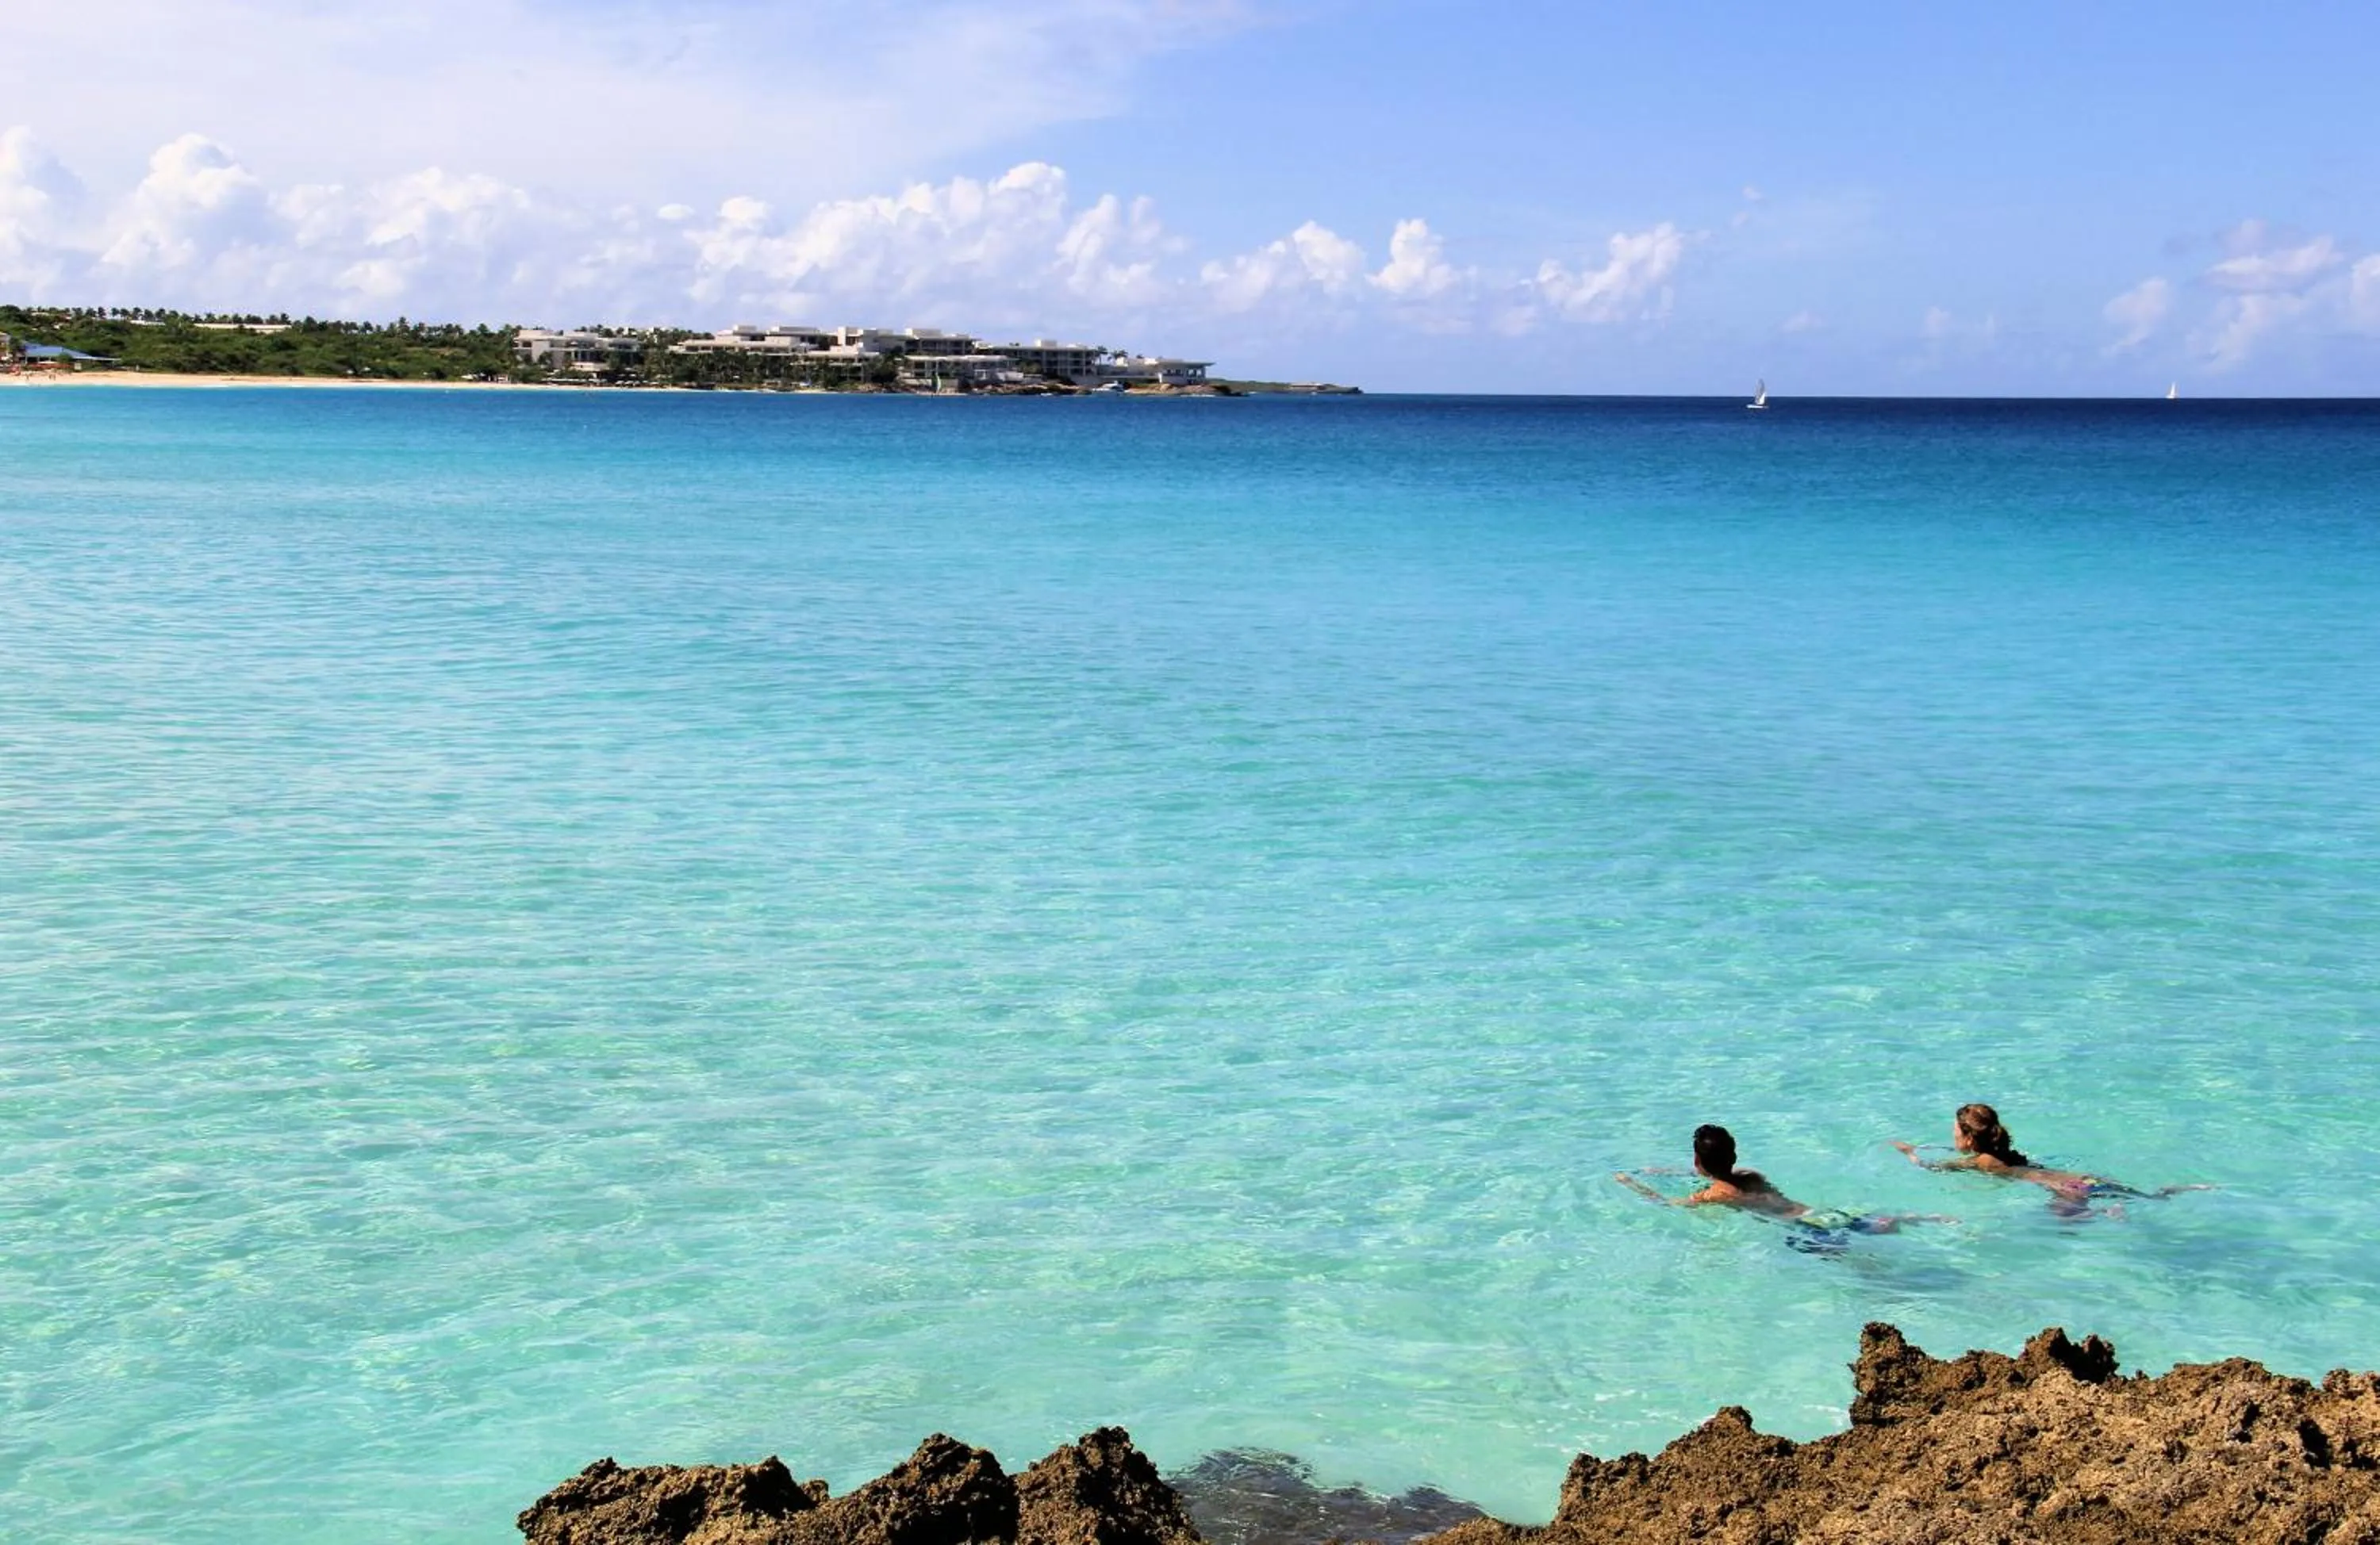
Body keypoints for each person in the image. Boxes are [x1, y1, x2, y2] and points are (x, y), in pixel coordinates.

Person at [1616, 1125, 1933, 1247]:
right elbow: (1717, 1172)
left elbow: (1664, 1204)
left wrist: (1632, 1184)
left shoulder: (1716, 1194)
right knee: (1871, 1226)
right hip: (1819, 1213)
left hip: (1806, 1230)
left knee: (1862, 1269)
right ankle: (1920, 1218)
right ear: (1734, 1155)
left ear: (1698, 1162)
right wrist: (1669, 1171)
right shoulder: (1751, 1175)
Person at [1891, 1102, 2209, 1217]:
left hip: (2069, 1190)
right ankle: (2174, 1190)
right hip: (2082, 1178)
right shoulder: (2006, 1154)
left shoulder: (1983, 1162)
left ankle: (2106, 1213)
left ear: (1969, 1139)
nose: (1952, 1138)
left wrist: (1910, 1154)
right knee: (2150, 1199)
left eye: (1954, 1133)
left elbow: (1935, 1169)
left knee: (2062, 1222)